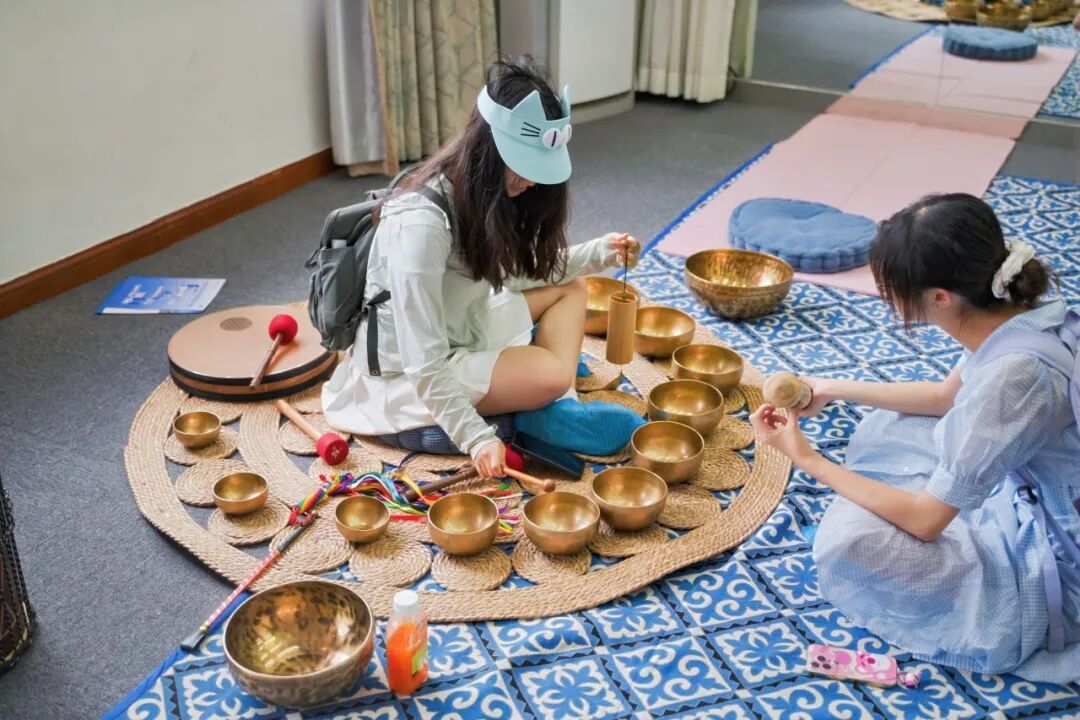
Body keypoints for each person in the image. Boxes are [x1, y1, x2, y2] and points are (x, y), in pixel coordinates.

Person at [751, 193, 1080, 682]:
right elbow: (946, 398)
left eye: (895, 288)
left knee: (849, 540)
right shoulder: (1020, 310)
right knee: (895, 422)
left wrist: (807, 458)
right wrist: (832, 388)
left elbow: (926, 522)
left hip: (1053, 549)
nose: (889, 298)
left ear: (940, 297)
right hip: (1036, 479)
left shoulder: (1014, 377)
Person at [323, 57, 643, 479]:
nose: (533, 182)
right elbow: (423, 361)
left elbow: (512, 273)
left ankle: (548, 399)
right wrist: (475, 437)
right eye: (524, 167)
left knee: (572, 288)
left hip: (464, 323)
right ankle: (541, 413)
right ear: (488, 149)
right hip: (408, 375)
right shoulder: (419, 227)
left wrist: (602, 252)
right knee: (552, 373)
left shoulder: (478, 191)